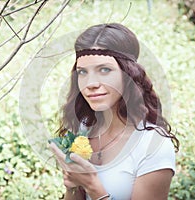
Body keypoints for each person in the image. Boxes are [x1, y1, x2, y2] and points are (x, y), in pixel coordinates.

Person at [49, 23, 179, 200]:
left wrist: (93, 186)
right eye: (82, 72)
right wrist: (73, 185)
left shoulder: (153, 145)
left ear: (129, 74)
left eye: (104, 70)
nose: (91, 83)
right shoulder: (84, 130)